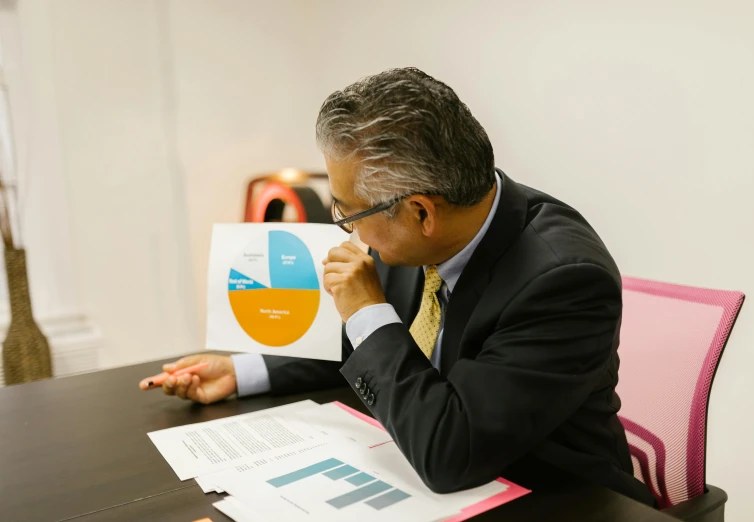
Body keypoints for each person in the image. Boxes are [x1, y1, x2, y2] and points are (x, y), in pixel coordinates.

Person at [143, 67, 655, 506]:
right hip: (437, 477)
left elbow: (449, 452)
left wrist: (368, 309)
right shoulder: (426, 231)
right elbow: (367, 342)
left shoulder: (561, 281)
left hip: (558, 497)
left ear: (420, 212)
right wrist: (243, 372)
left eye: (349, 212)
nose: (346, 226)